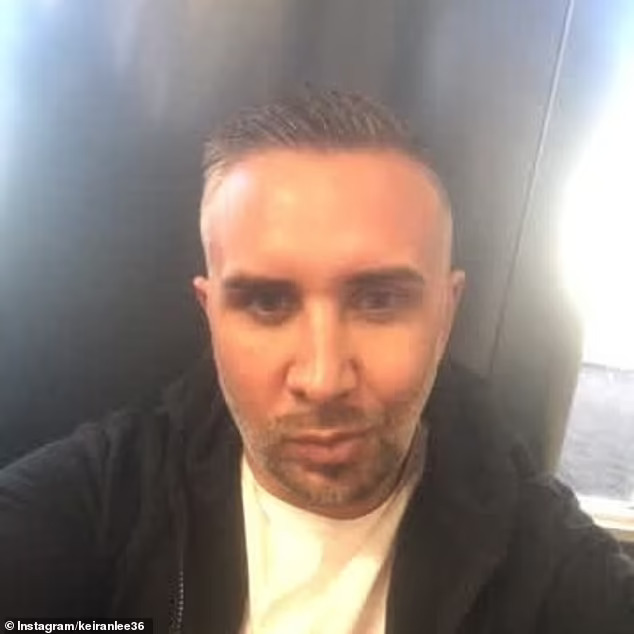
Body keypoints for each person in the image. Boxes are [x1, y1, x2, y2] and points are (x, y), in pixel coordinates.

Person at [0, 88, 632, 633]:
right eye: (268, 303)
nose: (324, 379)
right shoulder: (97, 505)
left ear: (445, 315)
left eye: (379, 301)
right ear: (211, 315)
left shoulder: (548, 566)